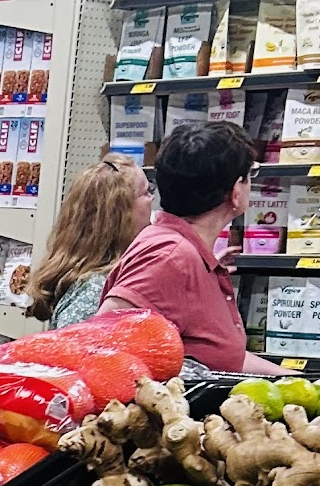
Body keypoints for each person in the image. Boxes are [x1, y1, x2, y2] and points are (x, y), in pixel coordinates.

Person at [97, 121, 281, 375]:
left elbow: (219, 358)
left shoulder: (186, 254)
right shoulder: (170, 257)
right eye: (250, 174)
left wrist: (304, 381)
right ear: (235, 192)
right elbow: (105, 348)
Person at [26, 154, 151, 326]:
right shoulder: (95, 290)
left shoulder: (97, 279)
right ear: (121, 213)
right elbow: (74, 343)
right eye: (146, 192)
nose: (152, 198)